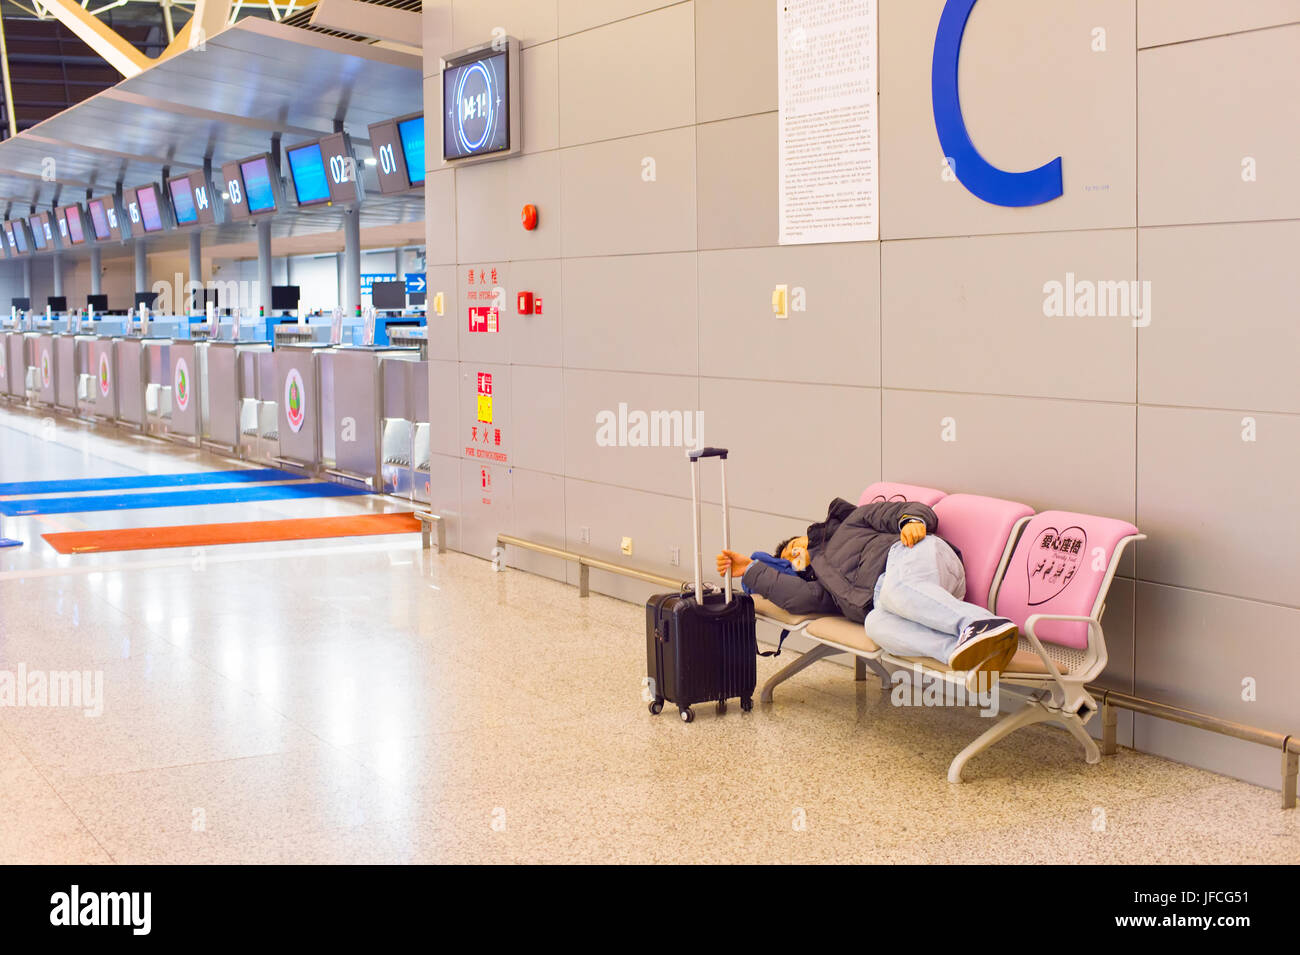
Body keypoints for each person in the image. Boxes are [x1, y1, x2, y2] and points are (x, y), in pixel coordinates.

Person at [716, 497, 1019, 674]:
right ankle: (967, 652)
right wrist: (751, 570)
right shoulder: (825, 586)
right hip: (907, 601)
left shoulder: (849, 522)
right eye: (788, 558)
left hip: (918, 555)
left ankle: (981, 624)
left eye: (794, 545)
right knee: (876, 625)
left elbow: (901, 510)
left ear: (806, 536)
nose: (794, 553)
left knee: (893, 590)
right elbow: (797, 599)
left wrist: (912, 521)